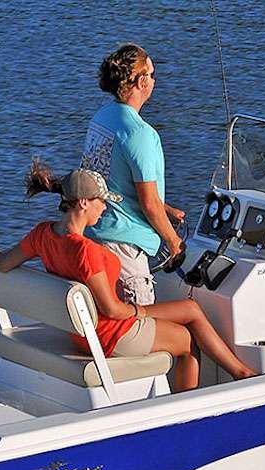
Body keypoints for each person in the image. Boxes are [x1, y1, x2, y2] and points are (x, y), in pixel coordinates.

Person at [0, 162, 255, 392]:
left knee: (191, 309)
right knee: (187, 341)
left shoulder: (43, 234)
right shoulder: (86, 251)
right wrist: (141, 311)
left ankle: (240, 373)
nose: (104, 209)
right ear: (84, 203)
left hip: (82, 333)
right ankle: (218, 391)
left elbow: (3, 263)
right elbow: (111, 309)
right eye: (102, 202)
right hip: (110, 335)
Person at [81, 43, 184, 307]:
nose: (153, 80)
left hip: (94, 239)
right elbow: (148, 205)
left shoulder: (102, 118)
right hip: (125, 253)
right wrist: (174, 242)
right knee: (141, 331)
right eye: (151, 74)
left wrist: (165, 208)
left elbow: (109, 180)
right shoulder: (141, 134)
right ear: (140, 82)